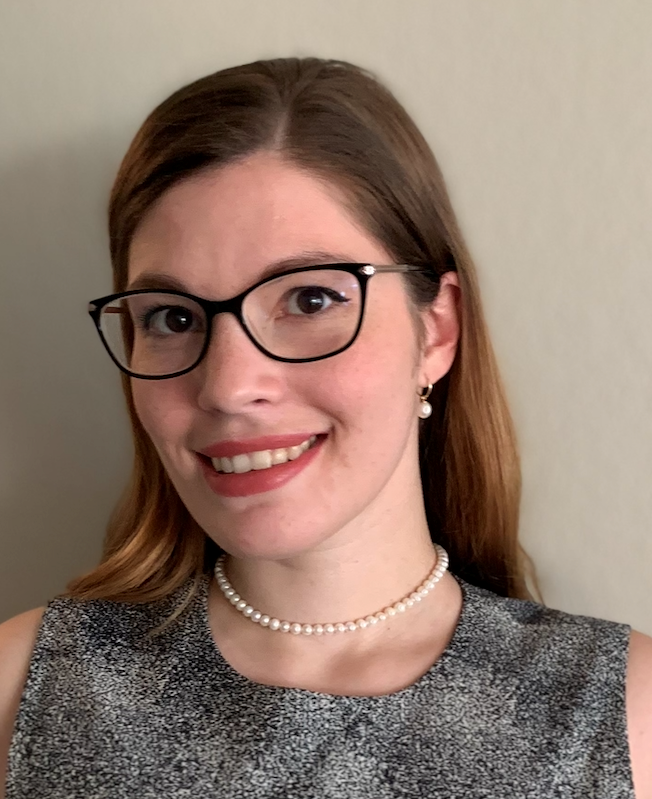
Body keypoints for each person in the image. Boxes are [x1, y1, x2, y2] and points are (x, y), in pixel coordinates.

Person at [0, 57, 650, 798]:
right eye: (173, 318)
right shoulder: (20, 693)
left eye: (309, 299)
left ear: (436, 329)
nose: (231, 386)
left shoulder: (626, 719)